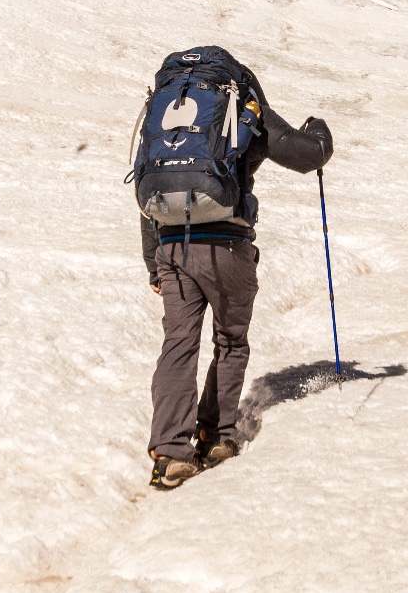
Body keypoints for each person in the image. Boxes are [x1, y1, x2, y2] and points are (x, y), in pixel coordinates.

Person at [138, 48, 333, 490]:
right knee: (230, 341)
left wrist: (154, 262)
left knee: (178, 346)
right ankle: (216, 436)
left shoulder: (166, 113)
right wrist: (318, 128)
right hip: (227, 246)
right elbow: (308, 156)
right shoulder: (242, 105)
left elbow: (152, 180)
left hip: (171, 246)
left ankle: (168, 453)